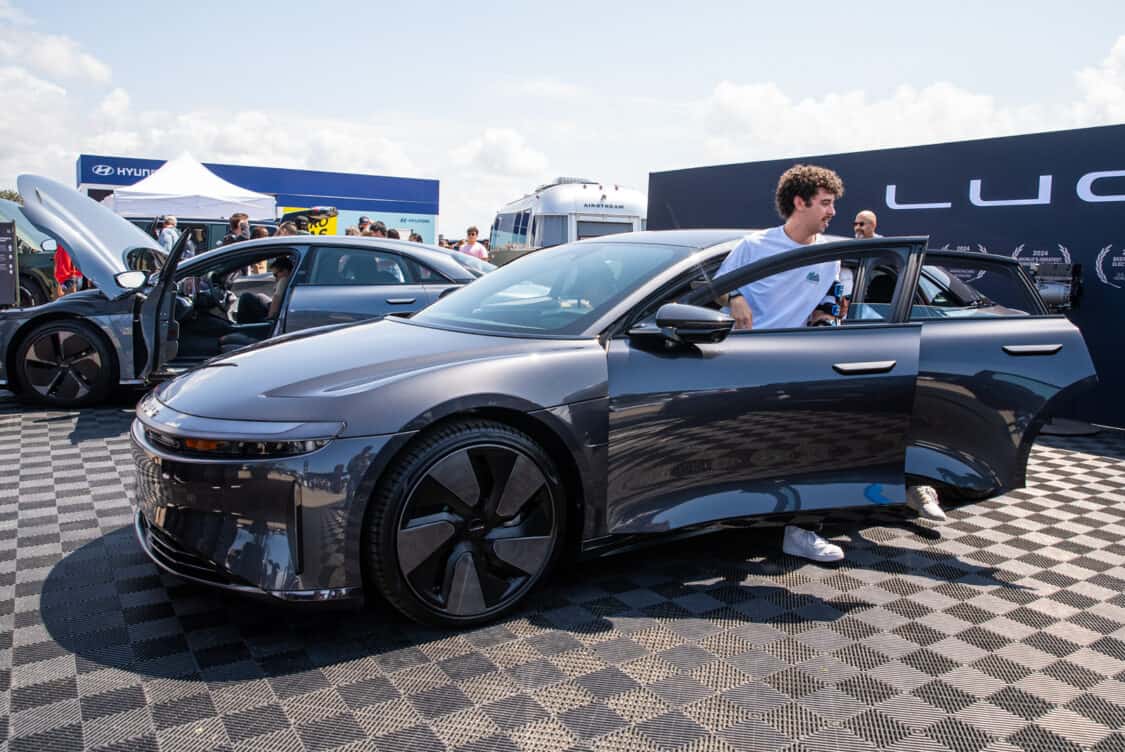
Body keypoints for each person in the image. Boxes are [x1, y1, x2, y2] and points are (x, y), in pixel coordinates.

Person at [718, 165, 939, 563]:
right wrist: (735, 297)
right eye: (825, 203)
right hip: (746, 363)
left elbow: (828, 303)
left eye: (833, 203)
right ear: (798, 203)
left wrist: (826, 324)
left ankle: (803, 529)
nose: (832, 211)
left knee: (820, 442)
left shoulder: (829, 255)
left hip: (800, 361)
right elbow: (716, 288)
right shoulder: (753, 246)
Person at [852, 209, 946, 521]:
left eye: (862, 223)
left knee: (900, 419)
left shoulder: (888, 257)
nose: (857, 227)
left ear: (874, 225)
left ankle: (919, 486)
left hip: (886, 338)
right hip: (841, 340)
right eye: (855, 223)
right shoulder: (843, 259)